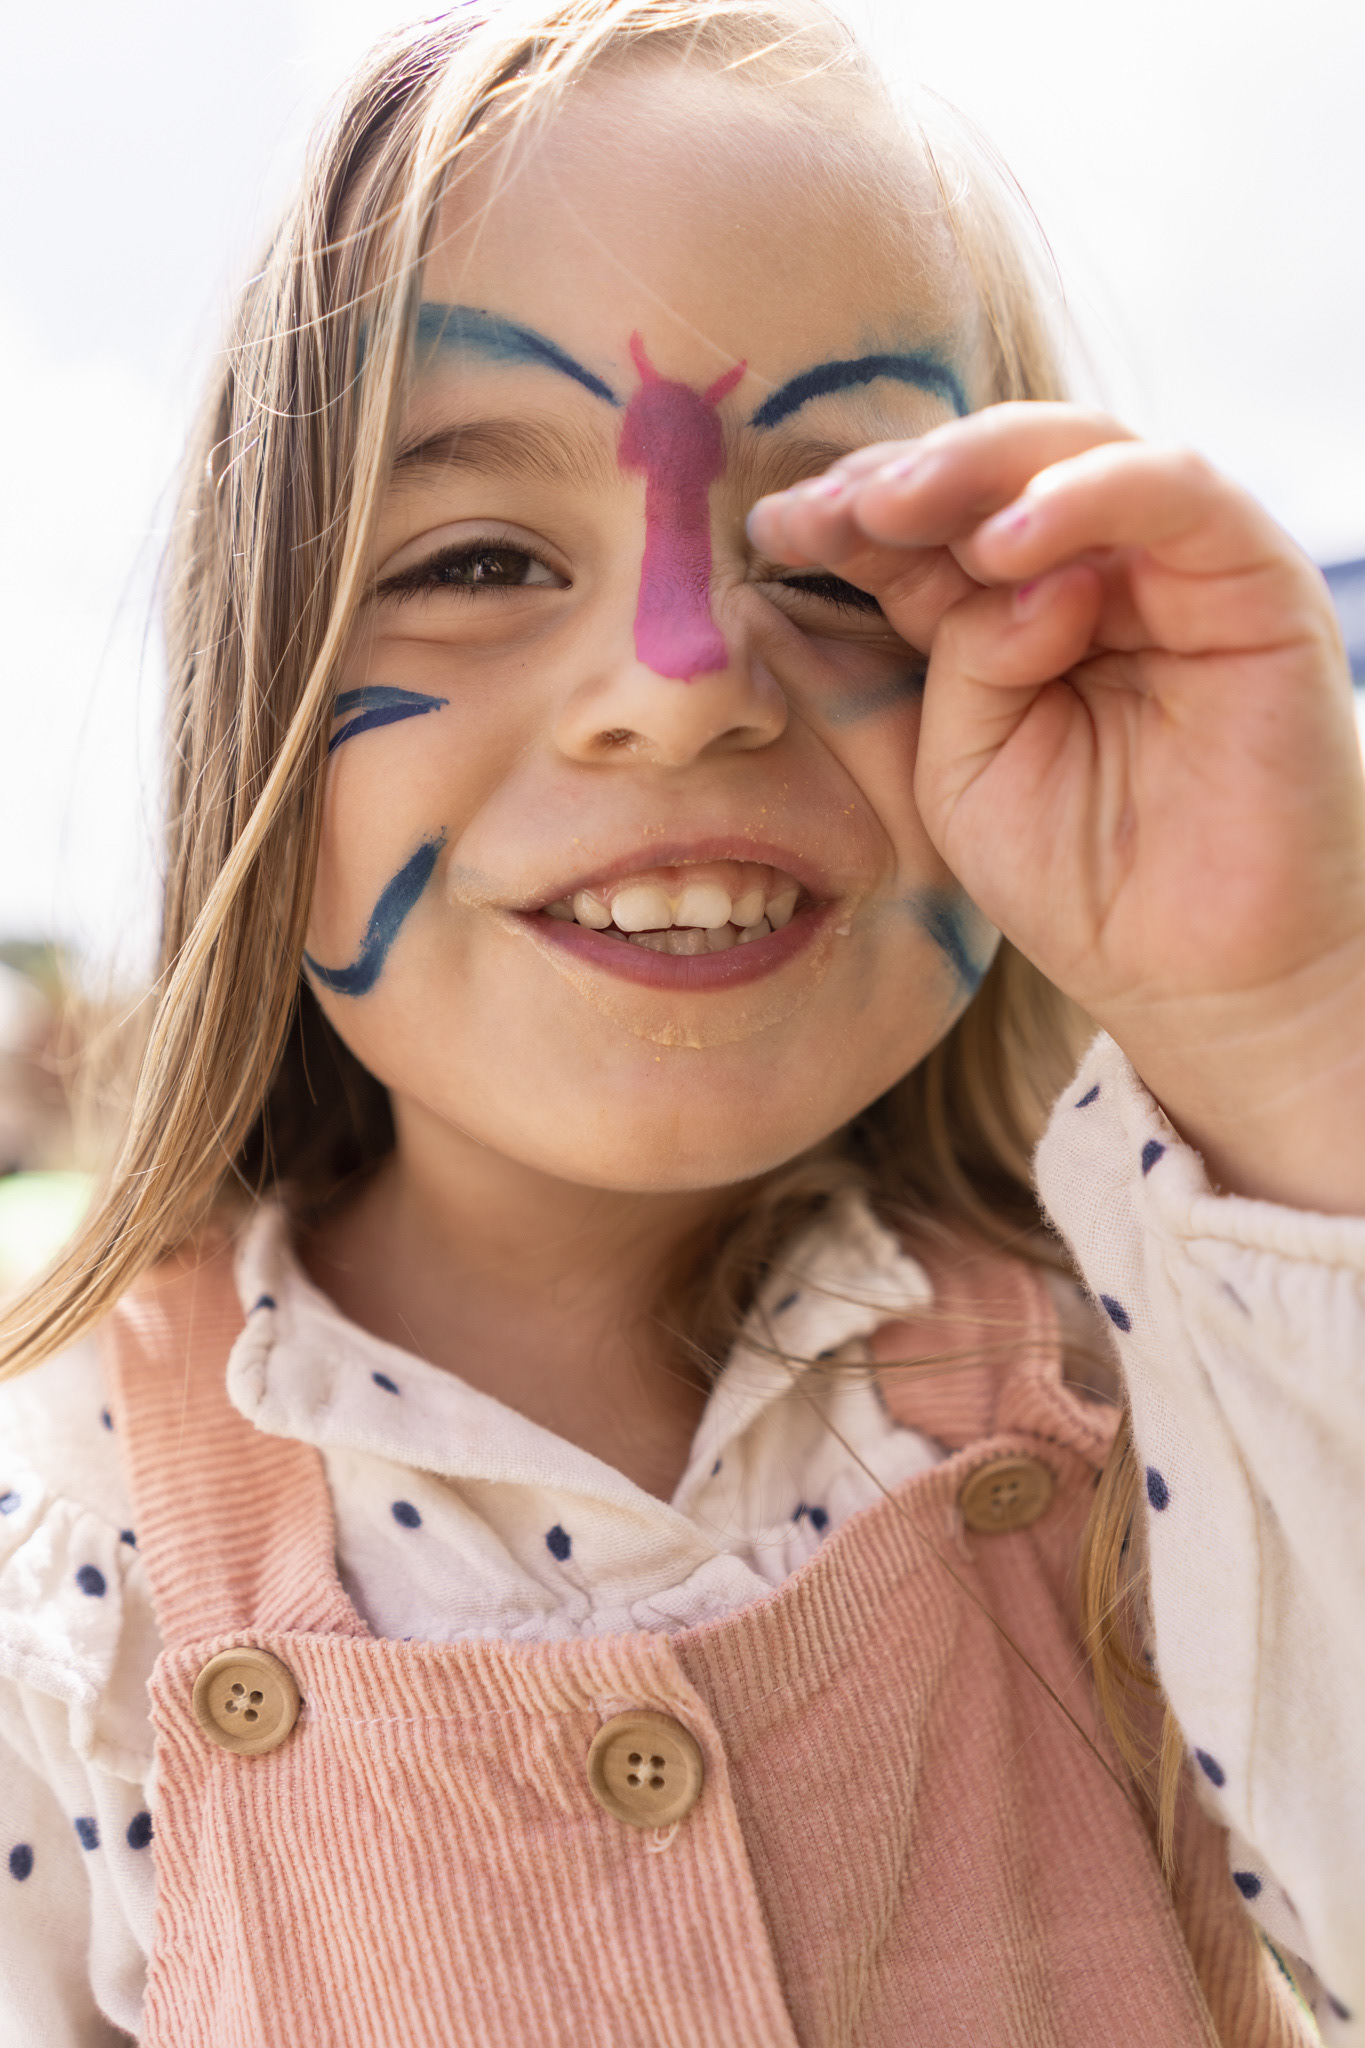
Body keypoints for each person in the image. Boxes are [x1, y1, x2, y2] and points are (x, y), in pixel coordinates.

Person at [0, 1, 1361, 2040]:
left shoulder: (1181, 1377)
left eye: (838, 569)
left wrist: (1281, 1021)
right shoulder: (64, 1555)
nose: (680, 675)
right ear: (252, 710)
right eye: (478, 555)